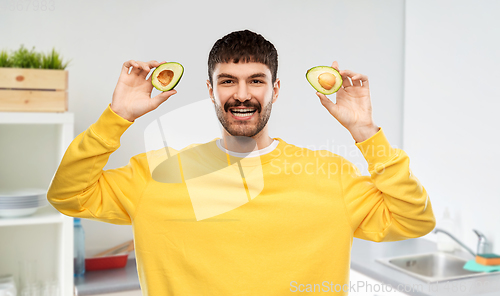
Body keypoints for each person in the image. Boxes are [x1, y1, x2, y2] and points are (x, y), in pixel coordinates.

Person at [47, 30, 436, 295]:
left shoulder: (329, 175)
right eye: (228, 81)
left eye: (256, 80)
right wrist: (117, 115)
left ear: (275, 89)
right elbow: (68, 194)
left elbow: (413, 219)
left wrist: (366, 132)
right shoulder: (156, 173)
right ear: (211, 91)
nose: (242, 94)